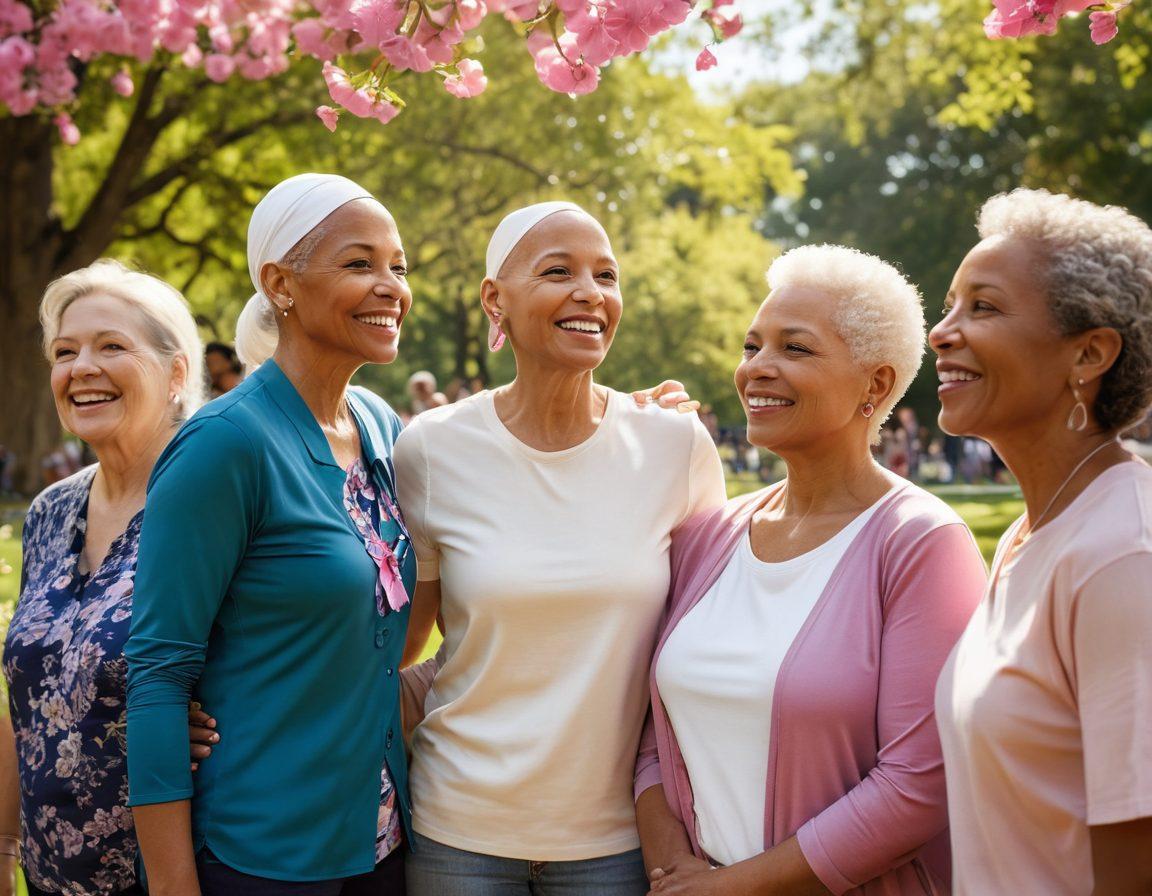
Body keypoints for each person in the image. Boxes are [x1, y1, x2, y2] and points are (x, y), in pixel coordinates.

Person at [395, 201, 727, 895]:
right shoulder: (431, 449)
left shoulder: (674, 444)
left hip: (615, 838)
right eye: (559, 271)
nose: (591, 293)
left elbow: (710, 639)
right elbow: (400, 646)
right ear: (496, 300)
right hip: (459, 826)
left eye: (606, 275)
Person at [635, 245, 988, 895]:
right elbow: (654, 742)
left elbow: (918, 785)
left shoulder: (921, 543)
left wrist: (730, 888)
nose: (757, 370)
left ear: (875, 386)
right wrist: (675, 871)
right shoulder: (705, 534)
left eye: (794, 349)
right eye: (751, 347)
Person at [125, 174, 416, 895]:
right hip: (260, 855)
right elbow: (158, 674)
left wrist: (620, 413)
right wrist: (173, 888)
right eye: (359, 264)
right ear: (281, 283)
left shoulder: (382, 426)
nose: (390, 286)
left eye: (398, 266)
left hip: (380, 841)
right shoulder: (225, 445)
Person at [932, 189, 1152, 895]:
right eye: (949, 306)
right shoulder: (1031, 535)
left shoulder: (1125, 558)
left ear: (1089, 353)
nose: (941, 332)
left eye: (984, 307)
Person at [1, 259, 205, 896]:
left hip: (173, 870)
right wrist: (4, 842)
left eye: (111, 346)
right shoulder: (50, 510)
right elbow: (24, 696)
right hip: (52, 875)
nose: (81, 367)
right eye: (65, 352)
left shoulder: (209, 504)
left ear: (176, 373)